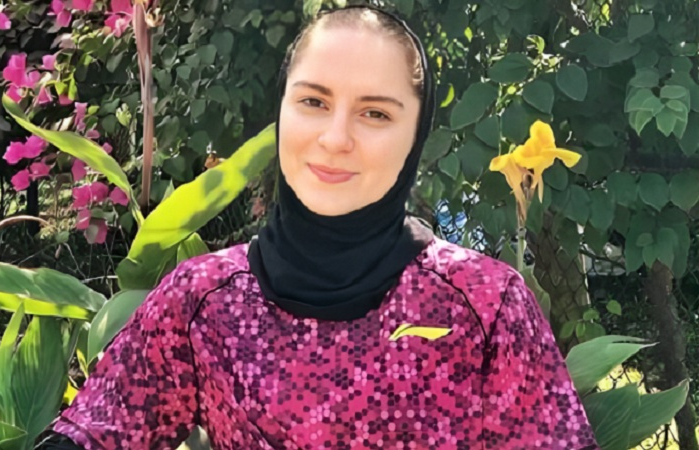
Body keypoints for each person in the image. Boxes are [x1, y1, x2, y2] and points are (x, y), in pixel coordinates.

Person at [45, 4, 599, 449]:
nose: (335, 138)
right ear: (281, 109)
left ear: (417, 134)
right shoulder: (205, 299)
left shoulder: (484, 304)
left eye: (375, 113)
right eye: (313, 101)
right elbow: (98, 431)